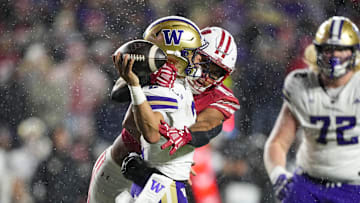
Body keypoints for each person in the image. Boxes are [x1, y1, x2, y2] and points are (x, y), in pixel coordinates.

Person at [87, 15, 205, 203]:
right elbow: (136, 126)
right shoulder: (155, 83)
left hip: (139, 173)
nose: (198, 58)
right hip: (122, 175)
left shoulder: (175, 82)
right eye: (192, 52)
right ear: (175, 53)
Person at [263, 16, 360, 203]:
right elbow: (278, 143)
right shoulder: (300, 84)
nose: (335, 55)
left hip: (354, 187)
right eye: (329, 49)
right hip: (308, 185)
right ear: (317, 51)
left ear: (354, 52)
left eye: (341, 49)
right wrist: (278, 175)